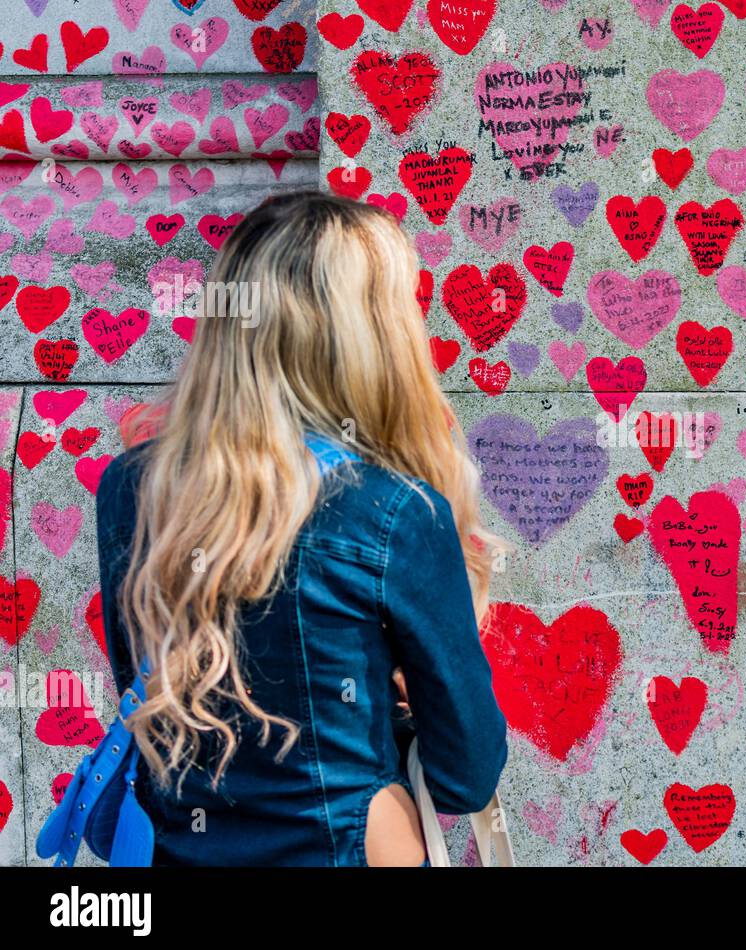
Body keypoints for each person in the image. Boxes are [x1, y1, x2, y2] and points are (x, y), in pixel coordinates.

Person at [95, 190, 509, 866]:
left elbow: (160, 712)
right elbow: (466, 775)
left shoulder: (132, 488)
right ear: (375, 338)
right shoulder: (398, 511)